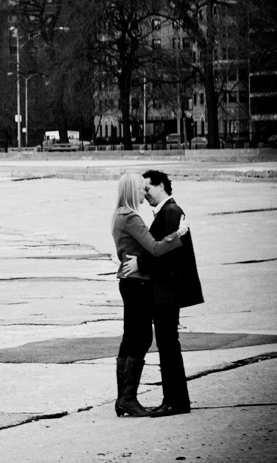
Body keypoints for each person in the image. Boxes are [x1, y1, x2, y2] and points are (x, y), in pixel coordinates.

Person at [111, 173, 188, 417]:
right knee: (142, 338)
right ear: (131, 191)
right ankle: (128, 399)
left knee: (130, 338)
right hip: (137, 284)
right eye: (140, 188)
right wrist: (178, 234)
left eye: (147, 188)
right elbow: (155, 248)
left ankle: (123, 398)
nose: (143, 192)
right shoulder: (131, 216)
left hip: (128, 282)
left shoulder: (118, 215)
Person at [138, 169, 204, 417]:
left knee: (168, 346)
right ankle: (174, 400)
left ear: (162, 186)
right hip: (166, 291)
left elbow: (167, 253)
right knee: (167, 346)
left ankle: (175, 402)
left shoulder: (171, 212)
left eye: (148, 189)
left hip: (167, 292)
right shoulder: (169, 212)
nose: (145, 195)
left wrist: (141, 264)